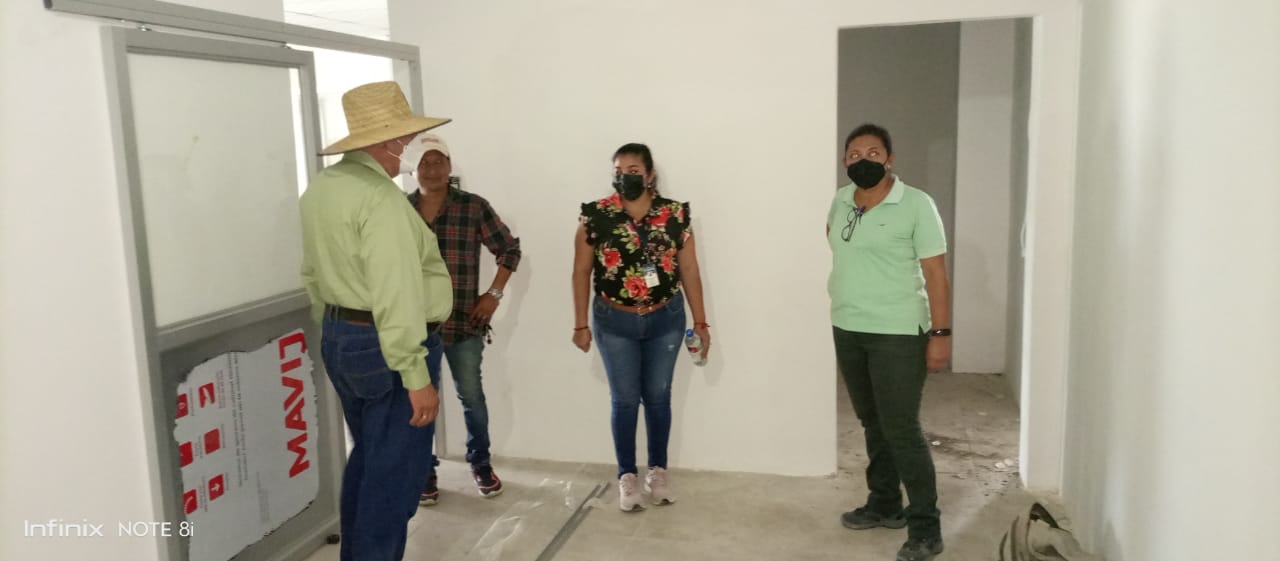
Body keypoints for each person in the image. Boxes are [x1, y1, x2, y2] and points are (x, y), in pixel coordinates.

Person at [299, 81, 453, 561]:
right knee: (394, 480)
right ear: (388, 141)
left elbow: (312, 273)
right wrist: (415, 373)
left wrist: (336, 330)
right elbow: (396, 290)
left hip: (343, 337)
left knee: (369, 460)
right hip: (388, 346)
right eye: (406, 139)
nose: (410, 147)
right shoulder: (380, 199)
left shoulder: (322, 188)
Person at [826, 124, 952, 561]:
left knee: (901, 429)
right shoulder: (841, 200)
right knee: (872, 422)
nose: (863, 160)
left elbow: (936, 274)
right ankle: (884, 503)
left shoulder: (916, 204)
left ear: (890, 159)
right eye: (854, 154)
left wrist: (940, 334)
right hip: (848, 327)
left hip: (898, 333)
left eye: (873, 153)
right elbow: (836, 244)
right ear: (844, 161)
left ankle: (926, 529)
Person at [571, 143, 711, 512]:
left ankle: (658, 472)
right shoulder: (596, 216)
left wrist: (701, 322)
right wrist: (580, 324)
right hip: (614, 321)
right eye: (619, 171)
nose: (625, 177)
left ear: (650, 175)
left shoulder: (674, 215)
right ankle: (627, 476)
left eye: (633, 170)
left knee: (659, 397)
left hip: (665, 319)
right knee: (625, 400)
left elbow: (690, 270)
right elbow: (581, 271)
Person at [406, 134, 522, 504]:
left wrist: (494, 294)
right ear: (413, 169)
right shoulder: (399, 210)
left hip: (463, 324)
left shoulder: (472, 207)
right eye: (424, 162)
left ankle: (481, 464)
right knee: (420, 403)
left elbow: (509, 249)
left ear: (449, 165)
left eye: (438, 161)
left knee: (471, 396)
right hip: (414, 326)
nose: (432, 169)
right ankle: (423, 471)